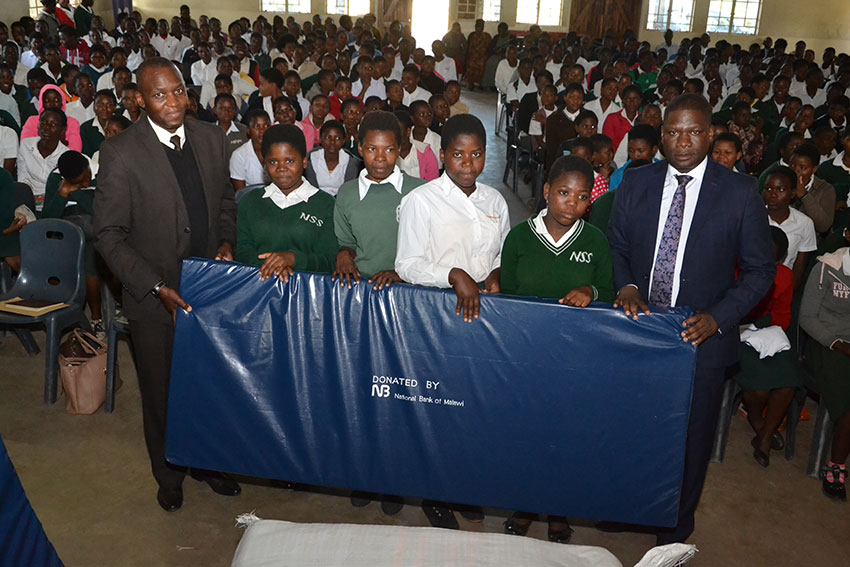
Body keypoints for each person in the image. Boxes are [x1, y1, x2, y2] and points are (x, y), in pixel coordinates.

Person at [607, 94, 775, 543]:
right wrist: (625, 286)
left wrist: (718, 318)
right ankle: (630, 507)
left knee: (690, 438)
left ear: (711, 134)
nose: (683, 142)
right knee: (632, 426)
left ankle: (675, 525)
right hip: (640, 328)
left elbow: (761, 271)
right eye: (674, 132)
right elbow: (617, 245)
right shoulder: (637, 183)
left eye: (694, 132)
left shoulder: (739, 192)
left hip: (698, 337)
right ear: (661, 136)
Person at [93, 58, 239, 512]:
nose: (173, 102)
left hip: (209, 290)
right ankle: (169, 473)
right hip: (155, 298)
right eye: (160, 95)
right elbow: (108, 235)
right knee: (161, 392)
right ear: (139, 100)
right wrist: (156, 287)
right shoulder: (121, 152)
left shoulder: (211, 138)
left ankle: (208, 463)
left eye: (178, 91)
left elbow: (224, 202)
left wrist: (227, 243)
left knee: (209, 385)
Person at [395, 113, 508, 529]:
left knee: (475, 404)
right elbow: (406, 263)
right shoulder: (421, 201)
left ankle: (464, 486)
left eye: (476, 155)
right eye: (457, 154)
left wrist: (496, 272)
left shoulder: (495, 202)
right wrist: (453, 274)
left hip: (484, 311)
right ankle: (435, 492)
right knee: (438, 406)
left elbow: (499, 255)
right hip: (438, 310)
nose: (467, 163)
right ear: (442, 156)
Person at [235, 123, 337, 277]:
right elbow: (242, 252)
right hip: (259, 287)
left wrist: (293, 259)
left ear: (303, 162)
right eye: (273, 162)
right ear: (265, 164)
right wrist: (272, 266)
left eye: (289, 161)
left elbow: (329, 261)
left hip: (306, 293)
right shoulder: (250, 202)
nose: (281, 168)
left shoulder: (326, 204)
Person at [799, 217, 850, 502]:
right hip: (827, 344)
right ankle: (835, 466)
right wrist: (839, 344)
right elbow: (807, 318)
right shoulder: (828, 267)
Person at [41, 150, 104, 334]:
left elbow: (100, 212)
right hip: (64, 233)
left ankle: (96, 318)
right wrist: (62, 193)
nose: (85, 183)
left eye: (86, 179)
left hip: (94, 231)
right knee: (61, 256)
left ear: (87, 167)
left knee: (90, 259)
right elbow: (47, 218)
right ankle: (63, 316)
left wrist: (74, 192)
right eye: (78, 183)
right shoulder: (55, 178)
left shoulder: (101, 172)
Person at [765, 166, 817, 291]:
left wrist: (788, 296)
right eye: (768, 189)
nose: (773, 195)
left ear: (792, 193)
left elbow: (799, 268)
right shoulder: (751, 217)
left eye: (780, 189)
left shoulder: (804, 223)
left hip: (783, 286)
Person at [17, 108, 69, 210]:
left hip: (53, 201)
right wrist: (30, 200)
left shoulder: (66, 156)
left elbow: (61, 189)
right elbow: (23, 179)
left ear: (63, 130)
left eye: (53, 124)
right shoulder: (26, 145)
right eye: (43, 122)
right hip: (28, 198)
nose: (46, 128)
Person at [304, 120, 361, 197]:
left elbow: (348, 191)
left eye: (337, 138)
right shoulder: (310, 160)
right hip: (317, 201)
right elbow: (311, 190)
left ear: (343, 141)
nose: (332, 142)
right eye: (328, 137)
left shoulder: (351, 162)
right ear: (320, 139)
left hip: (341, 201)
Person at [789, 142, 836, 235]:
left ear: (814, 169)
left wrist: (805, 196)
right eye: (792, 165)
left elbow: (824, 226)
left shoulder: (826, 189)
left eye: (802, 168)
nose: (795, 171)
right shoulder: (781, 182)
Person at [21, 83, 82, 151]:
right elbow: (26, 146)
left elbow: (75, 150)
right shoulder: (32, 121)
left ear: (62, 102)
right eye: (47, 101)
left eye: (56, 100)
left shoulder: (72, 123)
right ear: (42, 103)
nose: (52, 104)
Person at [230, 108, 270, 192]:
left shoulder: (279, 151)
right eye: (257, 127)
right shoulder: (239, 155)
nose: (262, 131)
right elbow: (241, 193)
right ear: (248, 131)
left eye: (266, 126)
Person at [394, 109, 438, 181]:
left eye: (397, 131)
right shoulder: (387, 154)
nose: (393, 135)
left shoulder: (425, 152)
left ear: (408, 132)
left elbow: (433, 183)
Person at [213, 93, 248, 163]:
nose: (227, 112)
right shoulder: (207, 131)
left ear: (235, 110)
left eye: (230, 108)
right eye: (222, 108)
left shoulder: (244, 131)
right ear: (215, 110)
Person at [80, 88, 115, 157]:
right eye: (100, 105)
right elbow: (87, 155)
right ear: (94, 106)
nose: (104, 108)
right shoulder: (86, 128)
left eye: (109, 105)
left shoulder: (123, 124)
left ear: (115, 107)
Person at [464, 19, 490, 90]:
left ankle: (481, 83)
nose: (478, 29)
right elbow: (468, 47)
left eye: (480, 27)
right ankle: (470, 83)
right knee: (471, 63)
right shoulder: (472, 35)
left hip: (482, 56)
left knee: (482, 63)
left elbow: (488, 48)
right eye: (477, 27)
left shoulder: (486, 36)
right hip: (473, 55)